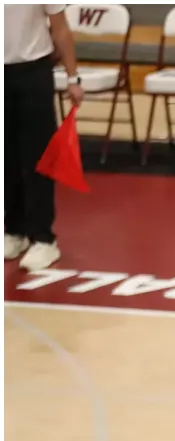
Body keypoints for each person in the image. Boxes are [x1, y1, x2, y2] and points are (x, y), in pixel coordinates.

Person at [5, 5, 82, 272]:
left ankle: (43, 239)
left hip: (33, 72)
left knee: (38, 156)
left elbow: (59, 28)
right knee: (7, 156)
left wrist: (73, 77)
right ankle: (14, 231)